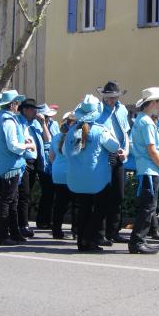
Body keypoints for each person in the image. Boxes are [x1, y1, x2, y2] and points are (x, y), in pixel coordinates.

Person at [64, 94, 119, 252]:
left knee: (83, 209)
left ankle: (82, 242)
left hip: (76, 178)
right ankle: (91, 239)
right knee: (100, 209)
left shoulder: (72, 130)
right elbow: (114, 147)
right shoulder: (100, 130)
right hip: (97, 178)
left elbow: (64, 151)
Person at [129, 87, 159, 254]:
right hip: (149, 170)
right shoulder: (146, 122)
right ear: (152, 103)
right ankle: (137, 241)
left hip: (146, 170)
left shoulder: (142, 120)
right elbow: (152, 149)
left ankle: (140, 240)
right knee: (148, 208)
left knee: (147, 207)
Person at [0, 90, 36, 246]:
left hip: (8, 165)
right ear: (12, 104)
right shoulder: (8, 121)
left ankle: (14, 233)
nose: (18, 105)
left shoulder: (3, 119)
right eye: (16, 103)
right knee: (7, 200)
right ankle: (3, 235)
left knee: (12, 200)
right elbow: (13, 146)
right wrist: (27, 145)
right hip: (10, 165)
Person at [95, 81, 131, 244]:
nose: (112, 101)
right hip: (103, 156)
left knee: (118, 195)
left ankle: (113, 231)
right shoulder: (97, 111)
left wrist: (126, 151)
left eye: (114, 97)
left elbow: (126, 133)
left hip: (119, 155)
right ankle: (100, 233)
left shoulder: (122, 110)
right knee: (103, 195)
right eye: (109, 98)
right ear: (103, 96)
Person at [50, 111, 77, 239]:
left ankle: (56, 230)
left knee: (59, 205)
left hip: (57, 173)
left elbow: (51, 157)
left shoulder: (56, 136)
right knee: (76, 204)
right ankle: (76, 231)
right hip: (71, 173)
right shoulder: (75, 137)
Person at [17, 98, 40, 238]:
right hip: (23, 161)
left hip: (32, 162)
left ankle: (22, 224)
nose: (35, 112)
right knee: (23, 195)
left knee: (26, 194)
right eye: (32, 109)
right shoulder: (19, 122)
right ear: (25, 110)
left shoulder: (30, 123)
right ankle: (22, 225)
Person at [34, 103, 58, 229]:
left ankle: (47, 219)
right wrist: (43, 124)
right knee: (47, 191)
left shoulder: (54, 124)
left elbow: (57, 140)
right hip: (43, 163)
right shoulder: (36, 125)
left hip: (54, 162)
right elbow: (48, 140)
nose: (49, 118)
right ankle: (42, 220)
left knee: (52, 192)